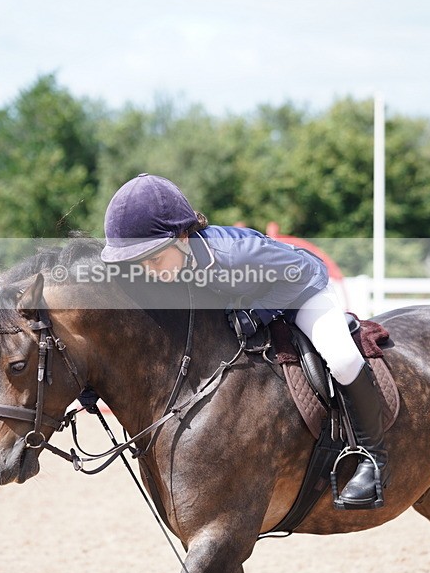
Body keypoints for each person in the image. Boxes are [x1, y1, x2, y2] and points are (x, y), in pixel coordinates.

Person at [101, 173, 388, 510]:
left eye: (154, 259)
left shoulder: (234, 254)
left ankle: (374, 456)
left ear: (182, 237)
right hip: (250, 301)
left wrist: (260, 312)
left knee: (342, 360)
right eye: (141, 263)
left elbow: (309, 271)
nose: (150, 271)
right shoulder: (174, 262)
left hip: (301, 291)